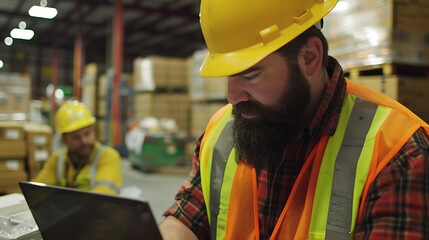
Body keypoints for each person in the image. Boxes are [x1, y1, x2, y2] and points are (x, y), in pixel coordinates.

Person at [159, 0, 429, 239]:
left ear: (309, 58)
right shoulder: (219, 132)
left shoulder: (400, 151)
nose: (232, 97)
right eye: (228, 75)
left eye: (250, 75)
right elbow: (190, 215)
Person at [32, 100, 122, 195]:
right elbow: (34, 190)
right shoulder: (57, 160)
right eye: (76, 137)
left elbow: (103, 196)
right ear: (64, 140)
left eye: (87, 134)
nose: (84, 141)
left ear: (94, 131)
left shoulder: (108, 156)